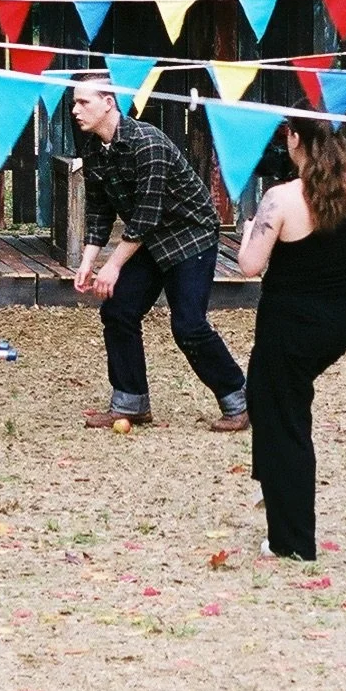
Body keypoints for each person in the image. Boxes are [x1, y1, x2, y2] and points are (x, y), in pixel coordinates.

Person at [237, 117, 346, 560]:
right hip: (337, 324)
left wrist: (247, 231)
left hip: (289, 326)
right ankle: (272, 483)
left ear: (294, 139)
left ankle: (291, 541)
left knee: (286, 421)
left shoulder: (279, 199)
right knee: (265, 395)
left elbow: (249, 265)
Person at [69, 74, 249, 431]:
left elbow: (146, 216)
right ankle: (131, 402)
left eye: (83, 102)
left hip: (189, 235)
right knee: (119, 310)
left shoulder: (147, 143)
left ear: (108, 102)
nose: (75, 110)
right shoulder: (93, 149)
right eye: (74, 103)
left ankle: (239, 401)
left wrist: (113, 266)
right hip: (150, 239)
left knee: (189, 326)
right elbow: (99, 211)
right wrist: (88, 263)